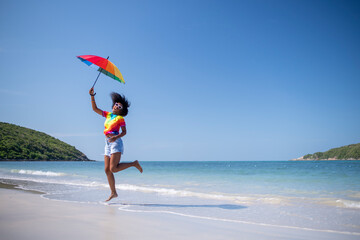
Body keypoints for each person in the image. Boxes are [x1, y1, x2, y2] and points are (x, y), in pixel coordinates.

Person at [89, 87, 143, 202]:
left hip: (116, 142)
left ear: (121, 111)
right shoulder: (108, 115)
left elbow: (124, 132)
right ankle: (113, 193)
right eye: (116, 104)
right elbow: (95, 109)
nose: (116, 106)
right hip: (107, 143)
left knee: (113, 168)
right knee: (107, 170)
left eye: (119, 106)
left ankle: (134, 163)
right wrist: (92, 96)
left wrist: (115, 137)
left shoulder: (120, 118)